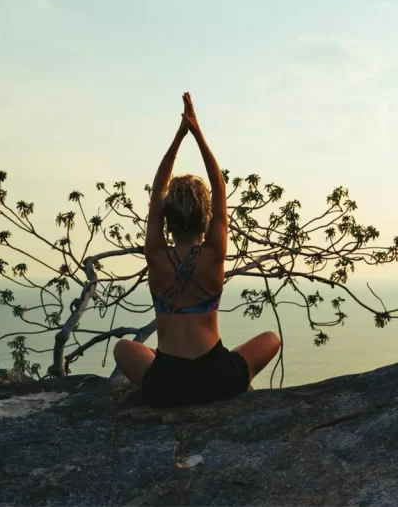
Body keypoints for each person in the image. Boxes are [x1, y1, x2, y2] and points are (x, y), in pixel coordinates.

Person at [113, 92, 280, 406]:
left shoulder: (157, 257)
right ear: (207, 218)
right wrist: (197, 132)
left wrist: (179, 136)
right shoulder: (214, 256)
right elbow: (219, 187)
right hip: (215, 378)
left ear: (166, 219)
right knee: (271, 339)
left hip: (167, 383)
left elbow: (156, 193)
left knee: (124, 348)